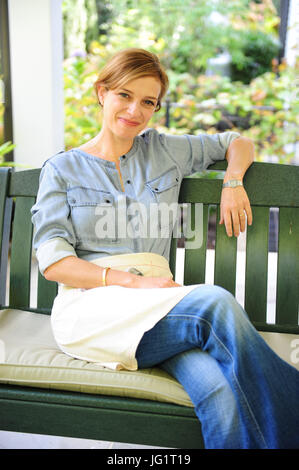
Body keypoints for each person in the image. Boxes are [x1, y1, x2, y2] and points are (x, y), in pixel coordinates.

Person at [31, 48, 299, 449]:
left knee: (219, 394)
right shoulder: (63, 170)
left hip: (160, 315)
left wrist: (232, 181)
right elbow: (53, 262)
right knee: (213, 302)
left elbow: (236, 142)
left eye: (148, 102)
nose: (135, 110)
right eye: (125, 95)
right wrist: (131, 284)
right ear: (102, 92)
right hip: (94, 309)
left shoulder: (163, 151)